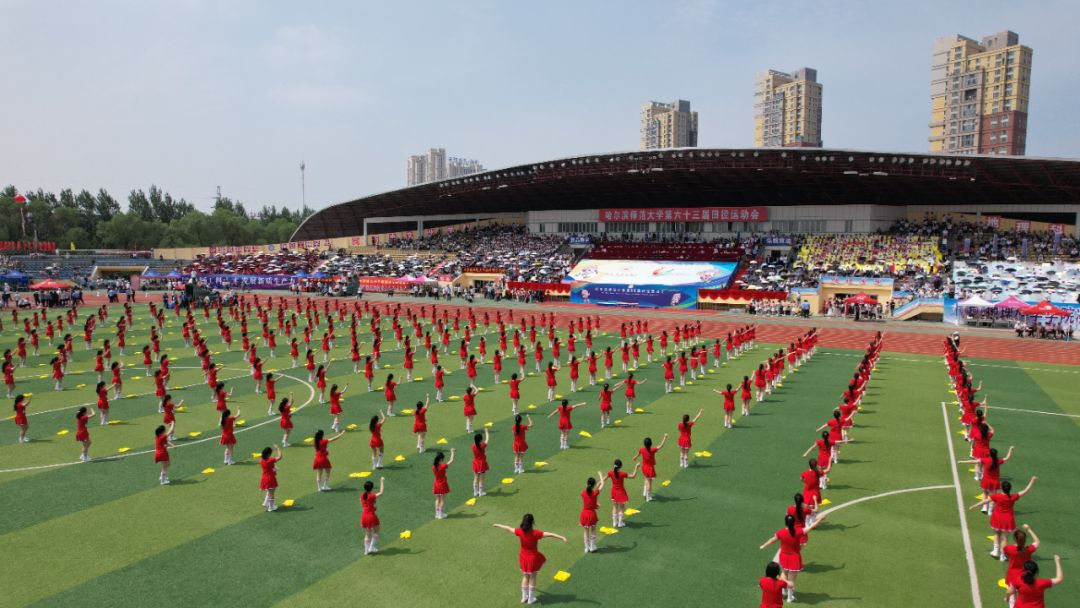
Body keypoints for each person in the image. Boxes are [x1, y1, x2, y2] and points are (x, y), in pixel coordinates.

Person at [492, 514, 568, 605]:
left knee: (525, 576)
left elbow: (508, 528)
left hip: (523, 557)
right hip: (533, 558)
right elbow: (549, 534)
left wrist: (498, 525)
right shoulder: (536, 533)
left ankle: (524, 597)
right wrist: (562, 537)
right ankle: (531, 598)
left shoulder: (519, 531)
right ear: (532, 522)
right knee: (533, 577)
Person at [758, 513, 828, 603]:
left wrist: (763, 546)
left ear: (785, 522)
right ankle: (789, 597)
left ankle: (782, 591)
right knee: (791, 579)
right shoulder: (798, 531)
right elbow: (811, 527)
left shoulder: (780, 532)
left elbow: (772, 540)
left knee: (784, 573)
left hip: (783, 556)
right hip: (794, 558)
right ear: (793, 522)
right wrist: (820, 519)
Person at [970, 476, 1037, 559]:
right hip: (1008, 520)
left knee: (996, 534)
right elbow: (1025, 491)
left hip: (997, 518)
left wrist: (975, 506)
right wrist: (1032, 481)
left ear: (1002, 488)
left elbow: (985, 501)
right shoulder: (1013, 497)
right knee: (1004, 538)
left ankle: (995, 551)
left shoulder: (997, 496)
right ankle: (1003, 555)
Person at [1003, 524, 1040, 594]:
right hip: (1024, 576)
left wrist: (1005, 536)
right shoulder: (1029, 550)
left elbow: (1004, 547)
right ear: (1025, 540)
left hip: (1012, 575)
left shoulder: (1010, 549)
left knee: (1011, 593)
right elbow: (1037, 542)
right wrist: (1029, 529)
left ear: (1015, 539)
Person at [633, 434, 668, 501]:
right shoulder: (652, 450)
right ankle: (648, 497)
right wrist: (665, 437)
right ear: (651, 444)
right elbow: (661, 446)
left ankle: (644, 492)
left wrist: (635, 457)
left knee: (646, 479)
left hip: (644, 467)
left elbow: (638, 454)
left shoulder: (642, 449)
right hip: (650, 469)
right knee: (649, 483)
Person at [607, 458, 640, 528]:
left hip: (613, 492)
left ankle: (614, 523)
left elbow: (604, 479)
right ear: (620, 466)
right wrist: (636, 467)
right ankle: (620, 523)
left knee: (614, 507)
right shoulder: (622, 474)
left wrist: (599, 483)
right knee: (621, 507)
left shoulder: (610, 473)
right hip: (621, 492)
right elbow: (633, 476)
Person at [579, 473, 606, 553]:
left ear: (587, 484)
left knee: (585, 531)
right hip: (592, 514)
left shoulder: (583, 493)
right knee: (593, 529)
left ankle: (586, 548)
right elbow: (602, 484)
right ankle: (592, 546)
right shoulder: (595, 493)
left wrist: (595, 503)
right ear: (594, 485)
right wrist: (600, 475)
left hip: (584, 514)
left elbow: (588, 500)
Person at [360, 477, 386, 554]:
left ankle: (366, 551)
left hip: (364, 516)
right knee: (376, 531)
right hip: (371, 516)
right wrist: (382, 481)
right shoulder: (371, 496)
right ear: (371, 488)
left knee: (367, 533)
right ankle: (371, 547)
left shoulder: (362, 496)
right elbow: (381, 492)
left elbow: (363, 502)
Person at [432, 448, 455, 519]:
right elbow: (451, 461)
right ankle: (441, 514)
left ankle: (437, 514)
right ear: (441, 459)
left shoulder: (433, 467)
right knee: (442, 500)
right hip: (442, 484)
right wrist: (452, 452)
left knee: (437, 499)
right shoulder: (442, 466)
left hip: (436, 485)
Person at [260, 445, 283, 512]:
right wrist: (277, 448)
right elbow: (280, 457)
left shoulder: (261, 460)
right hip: (270, 478)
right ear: (268, 454)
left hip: (264, 477)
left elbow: (270, 465)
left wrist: (274, 467)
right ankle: (271, 507)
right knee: (272, 493)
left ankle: (265, 502)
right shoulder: (270, 460)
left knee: (269, 491)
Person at [472, 427, 490, 497]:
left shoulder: (473, 446)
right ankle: (481, 492)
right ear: (481, 440)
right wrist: (486, 431)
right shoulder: (482, 445)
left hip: (475, 464)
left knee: (476, 478)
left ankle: (475, 492)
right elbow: (487, 439)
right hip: (482, 464)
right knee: (482, 478)